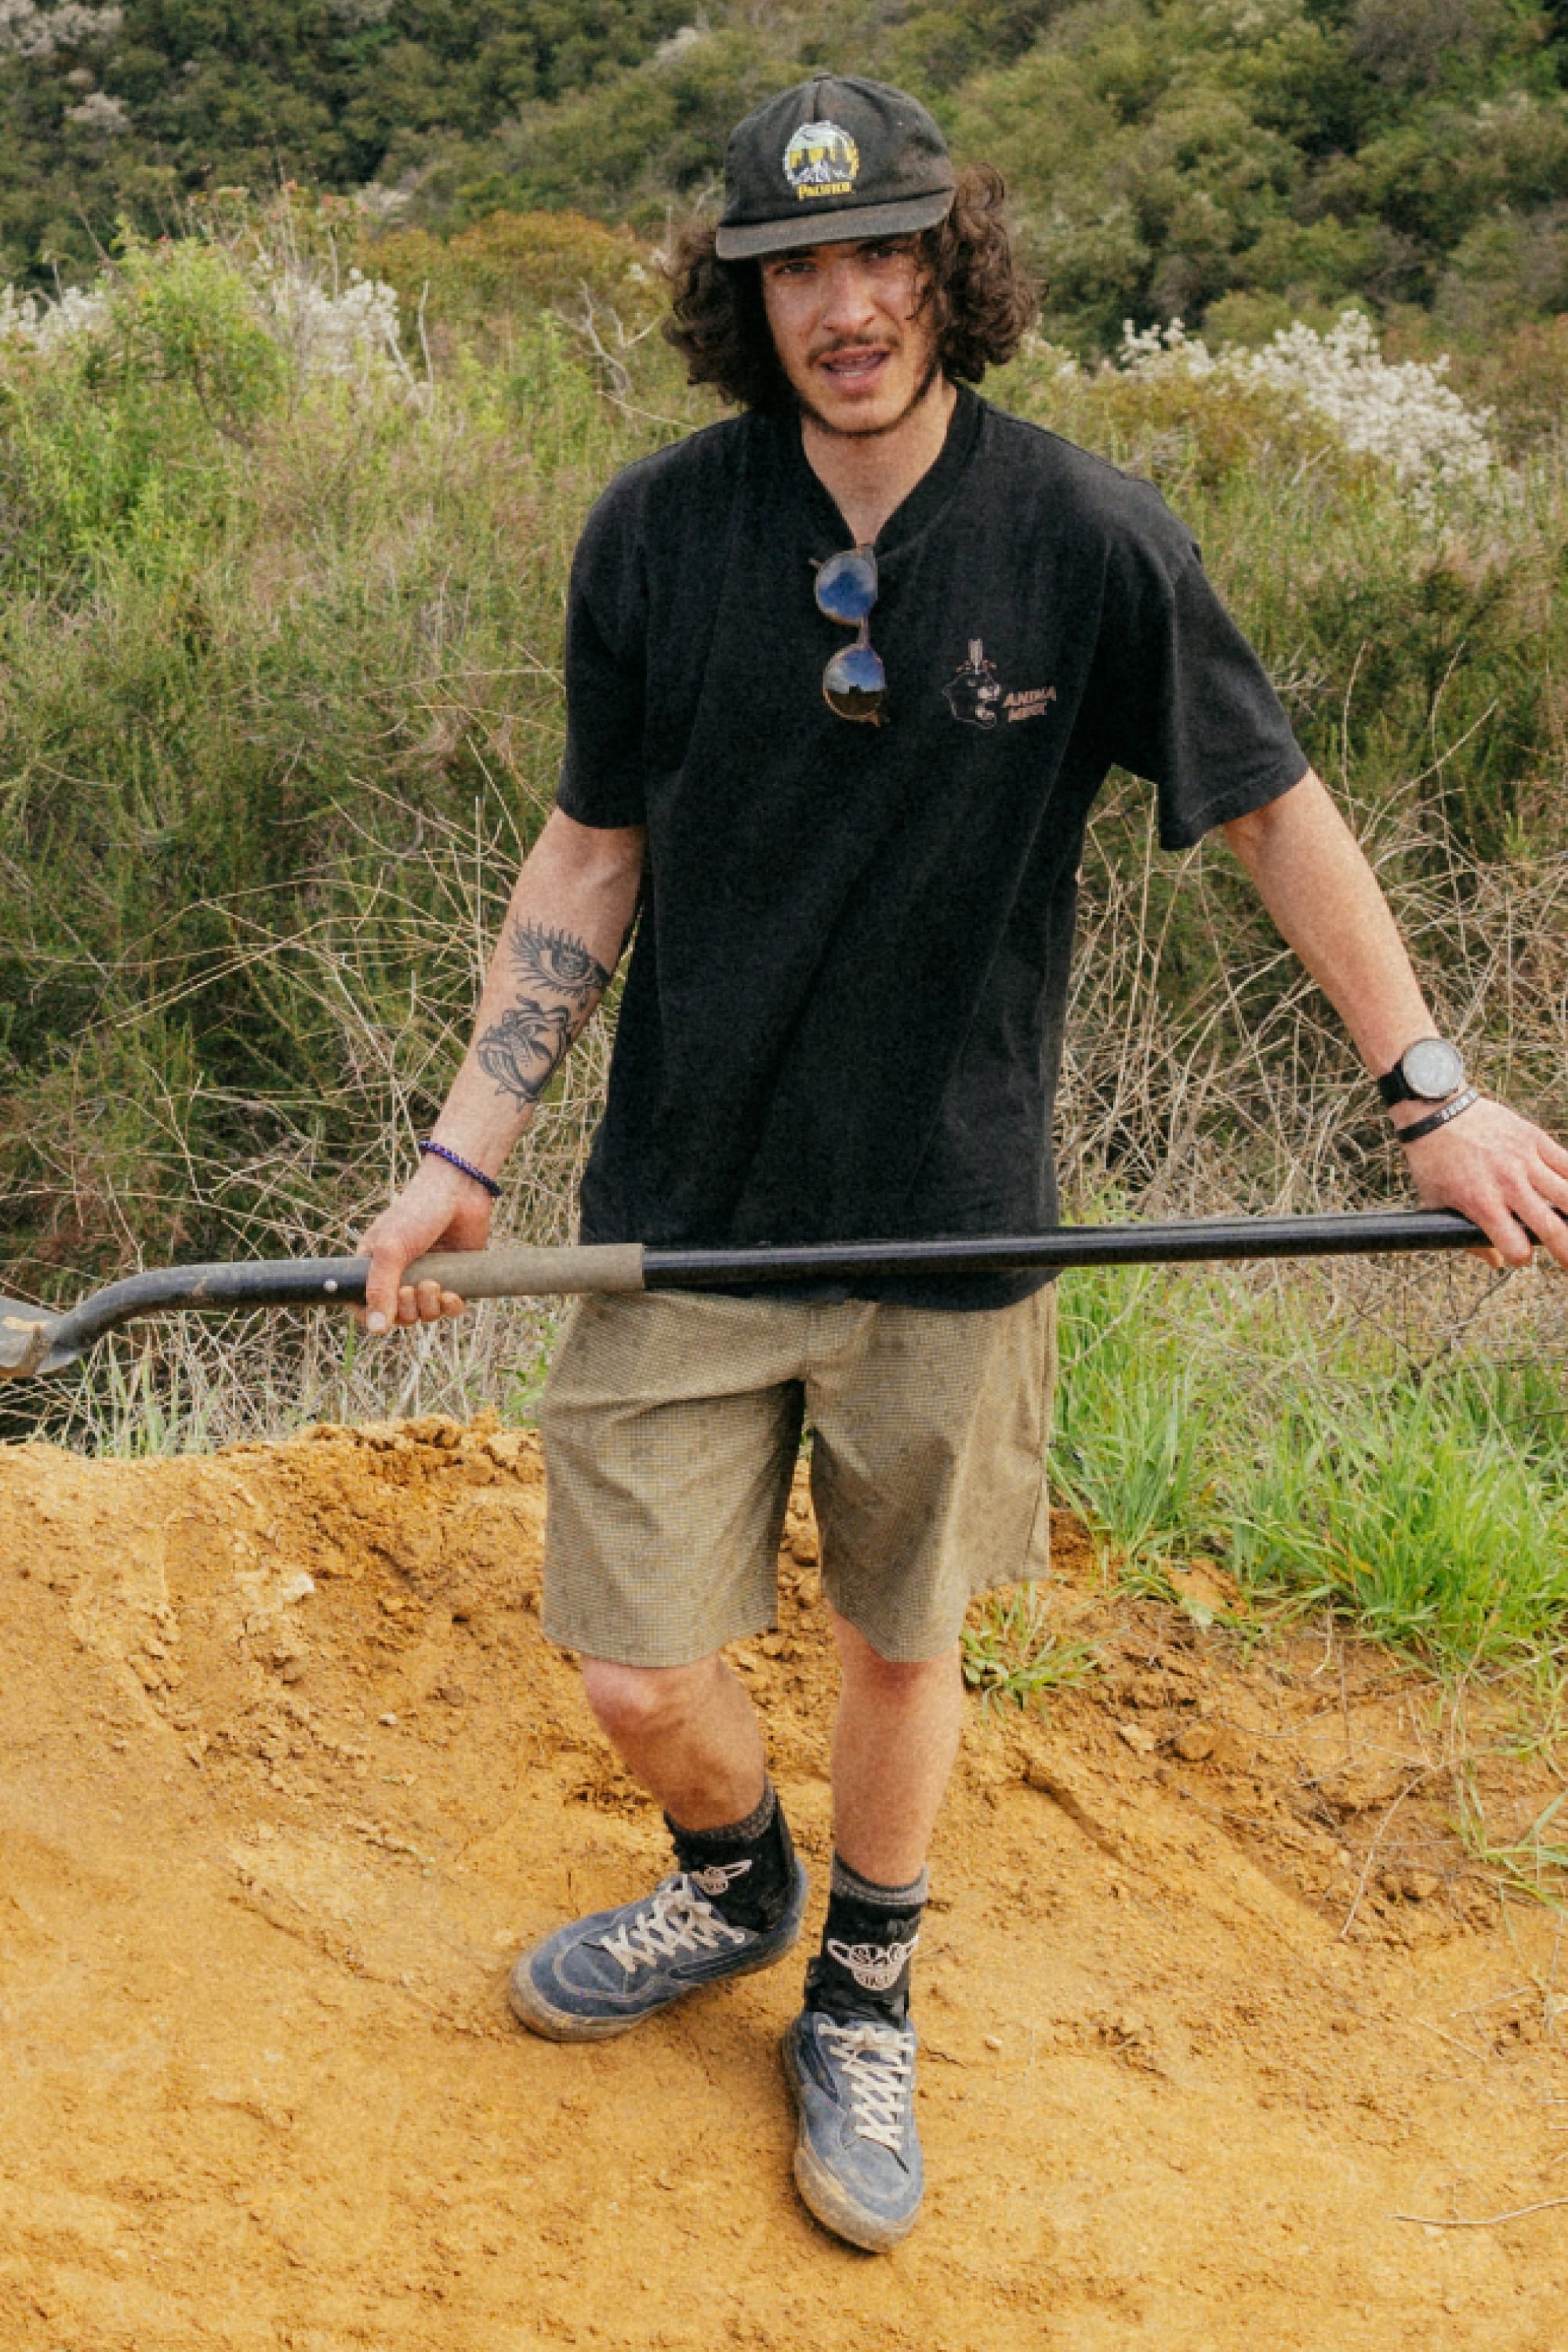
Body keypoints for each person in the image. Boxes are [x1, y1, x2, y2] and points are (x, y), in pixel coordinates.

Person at [358, 74, 1568, 2252]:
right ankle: (737, 1882)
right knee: (636, 1666)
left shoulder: (1090, 541)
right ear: (750, 298)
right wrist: (471, 1145)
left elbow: (1275, 808)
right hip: (686, 1208)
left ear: (949, 265)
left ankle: (868, 1992)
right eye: (797, 266)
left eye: (881, 254)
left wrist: (1434, 1089)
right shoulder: (653, 535)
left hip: (953, 1211)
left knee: (901, 1647)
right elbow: (590, 846)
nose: (844, 303)